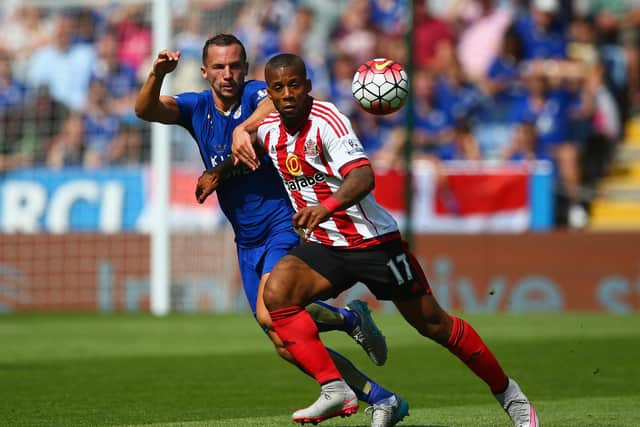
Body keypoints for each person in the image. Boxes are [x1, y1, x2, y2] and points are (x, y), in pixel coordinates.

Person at [232, 53, 541, 427]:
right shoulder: (267, 130)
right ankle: (335, 388)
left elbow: (363, 177)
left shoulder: (327, 120)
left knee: (434, 325)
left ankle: (510, 395)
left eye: (294, 85)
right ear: (270, 93)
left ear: (308, 86)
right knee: (277, 296)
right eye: (278, 88)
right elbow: (256, 150)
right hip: (326, 245)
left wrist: (326, 206)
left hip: (374, 243)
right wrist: (217, 172)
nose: (287, 94)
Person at [134, 34, 407, 426]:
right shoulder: (196, 107)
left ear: (245, 69)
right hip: (246, 239)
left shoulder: (258, 95)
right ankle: (379, 392)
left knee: (270, 314)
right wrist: (158, 73)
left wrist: (242, 130)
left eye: (234, 66)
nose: (227, 75)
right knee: (285, 342)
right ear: (205, 71)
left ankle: (343, 360)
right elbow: (145, 110)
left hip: (284, 223)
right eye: (219, 67)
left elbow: (271, 103)